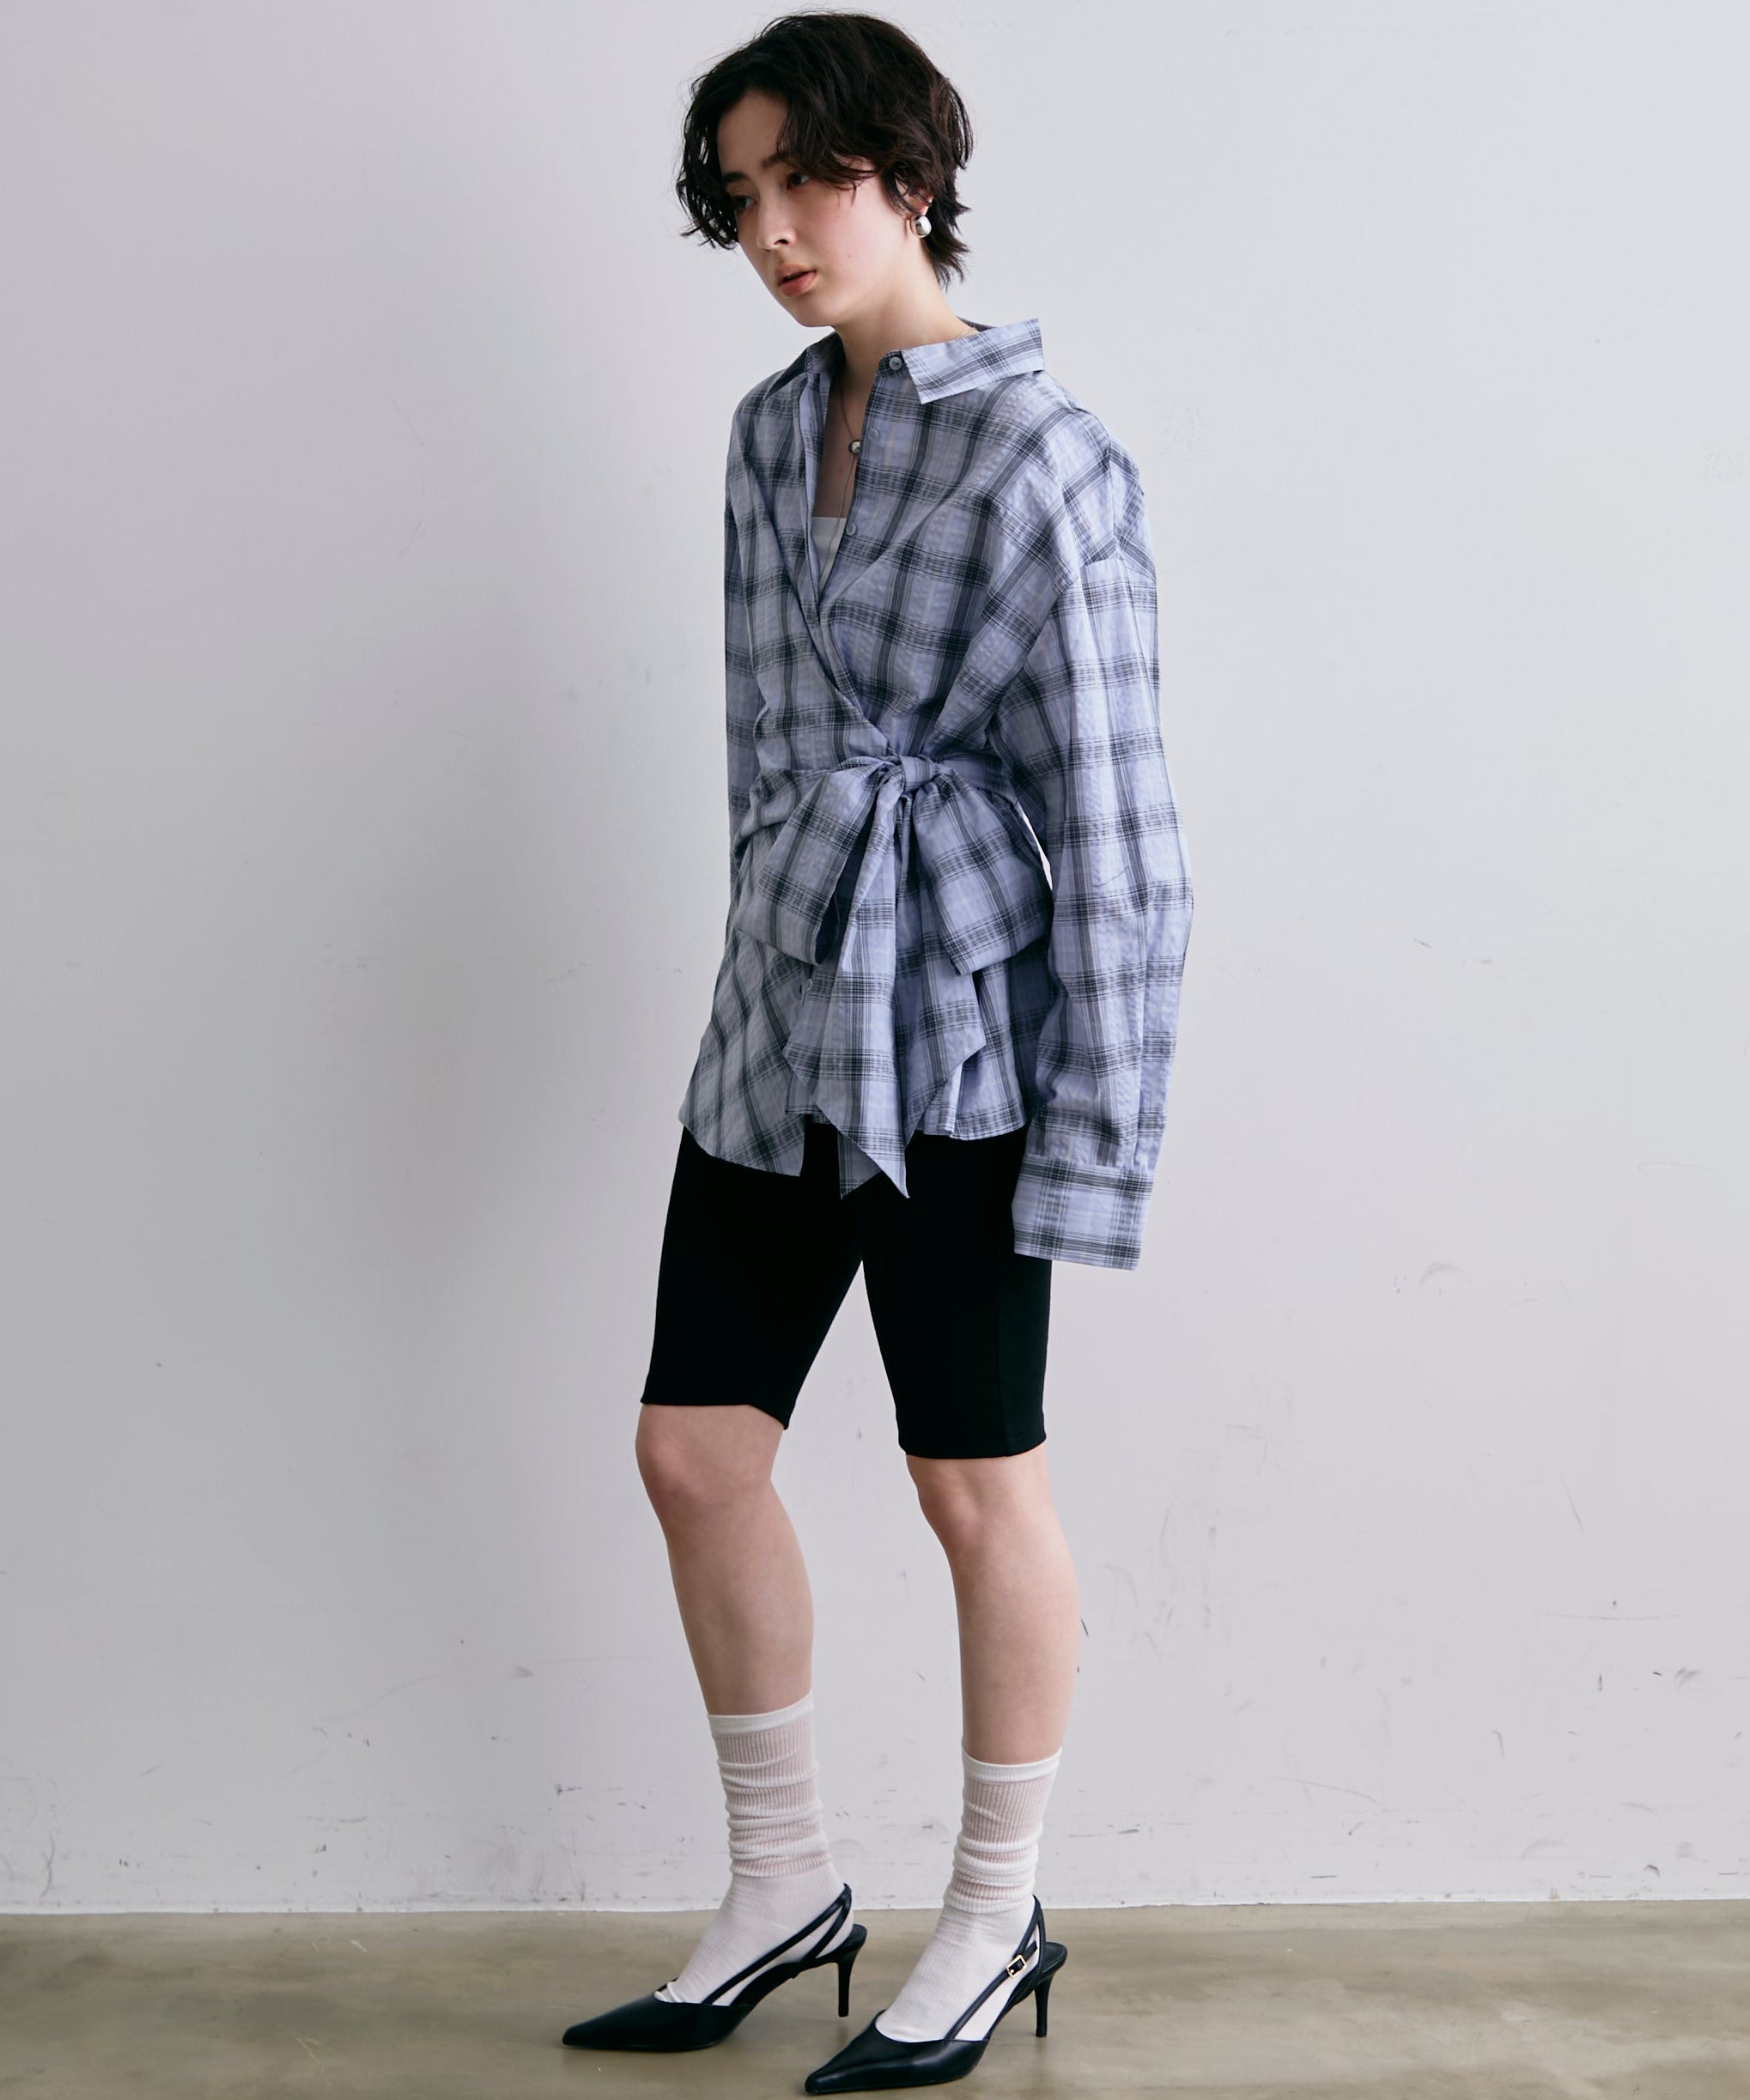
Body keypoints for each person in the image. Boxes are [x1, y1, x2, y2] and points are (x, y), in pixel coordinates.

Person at [561, 12, 1194, 2091]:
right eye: (738, 197)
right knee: (692, 1447)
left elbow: (1122, 838)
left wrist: (1092, 1141)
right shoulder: (766, 436)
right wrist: (753, 963)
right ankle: (781, 1883)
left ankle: (996, 1909)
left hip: (966, 1042)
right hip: (782, 1012)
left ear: (907, 176)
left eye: (806, 180)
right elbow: (761, 754)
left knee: (969, 1477)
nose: (772, 231)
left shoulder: (1044, 458)